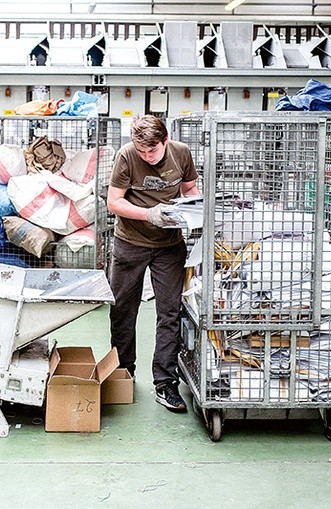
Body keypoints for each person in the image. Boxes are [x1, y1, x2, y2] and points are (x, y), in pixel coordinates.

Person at [106, 115, 200, 413]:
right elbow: (114, 202)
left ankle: (165, 382)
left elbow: (190, 190)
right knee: (122, 309)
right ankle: (123, 372)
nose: (146, 156)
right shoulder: (126, 155)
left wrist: (191, 210)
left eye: (152, 152)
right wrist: (149, 214)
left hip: (169, 246)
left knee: (170, 312)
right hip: (130, 243)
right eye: (142, 151)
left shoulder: (182, 153)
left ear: (166, 141)